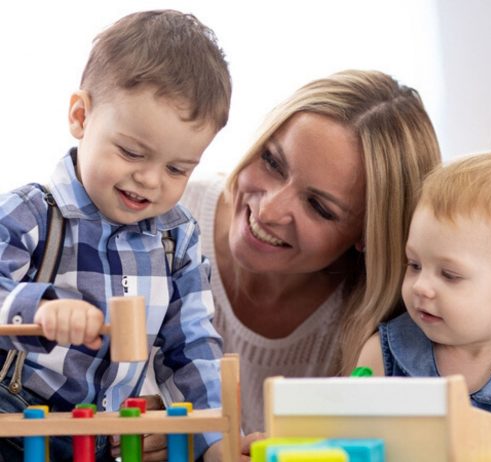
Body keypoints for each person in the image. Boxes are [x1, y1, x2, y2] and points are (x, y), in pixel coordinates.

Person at [143, 69, 442, 434]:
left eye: (319, 207)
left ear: (367, 235)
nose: (268, 211)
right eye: (271, 161)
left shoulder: (380, 329)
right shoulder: (159, 213)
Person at [0, 10, 234, 462]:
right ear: (81, 116)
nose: (149, 180)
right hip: (16, 426)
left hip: (104, 440)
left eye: (177, 168)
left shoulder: (176, 238)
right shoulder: (32, 213)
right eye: (131, 152)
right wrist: (41, 309)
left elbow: (194, 348)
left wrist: (218, 441)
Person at [357, 152, 491, 440]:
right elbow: (347, 445)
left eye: (449, 275)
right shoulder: (381, 354)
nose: (420, 287)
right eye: (414, 265)